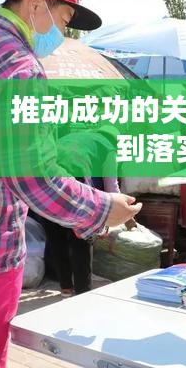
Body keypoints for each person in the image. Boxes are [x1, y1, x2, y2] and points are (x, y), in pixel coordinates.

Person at [0, 0, 142, 367]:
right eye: (64, 20)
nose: (62, 35)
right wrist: (103, 209)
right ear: (36, 5)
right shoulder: (19, 67)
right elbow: (34, 178)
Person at [40, 125, 123, 296]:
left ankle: (65, 287)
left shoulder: (78, 138)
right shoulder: (108, 148)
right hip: (75, 178)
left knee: (55, 232)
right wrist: (114, 216)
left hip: (47, 174)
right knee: (82, 236)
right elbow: (112, 187)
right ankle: (82, 292)